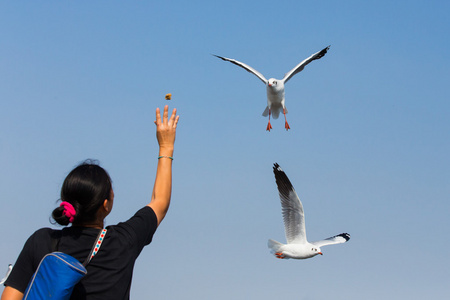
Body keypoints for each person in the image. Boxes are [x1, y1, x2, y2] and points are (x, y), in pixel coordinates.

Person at [1, 105, 179, 300]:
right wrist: (166, 146)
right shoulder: (123, 241)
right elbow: (159, 202)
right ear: (105, 205)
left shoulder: (41, 241)